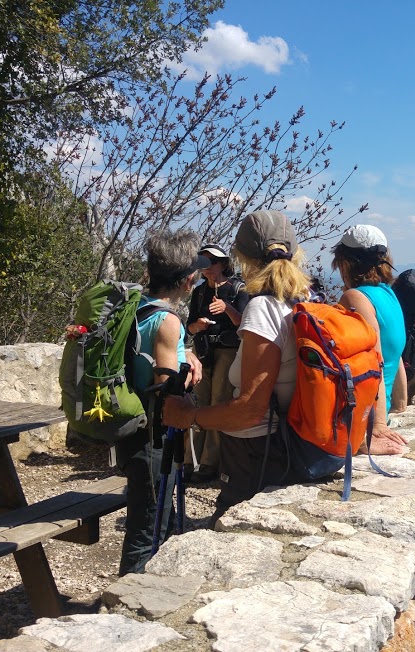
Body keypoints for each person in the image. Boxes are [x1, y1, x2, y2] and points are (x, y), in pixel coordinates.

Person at [163, 210, 308, 525]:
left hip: (254, 450)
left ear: (241, 256)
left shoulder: (262, 306)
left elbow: (249, 411)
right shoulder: (303, 300)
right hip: (288, 442)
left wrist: (188, 416)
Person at [117, 228, 207, 576]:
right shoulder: (168, 321)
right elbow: (166, 387)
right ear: (187, 282)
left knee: (151, 518)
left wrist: (186, 351)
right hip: (153, 438)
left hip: (129, 428)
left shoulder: (136, 306)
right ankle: (124, 609)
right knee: (148, 527)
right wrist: (187, 371)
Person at [331, 224, 409, 455]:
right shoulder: (388, 294)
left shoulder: (355, 298)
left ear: (345, 262)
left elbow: (376, 361)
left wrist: (377, 428)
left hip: (364, 420)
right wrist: (400, 405)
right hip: (376, 412)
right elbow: (395, 355)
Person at [185, 244, 250, 482]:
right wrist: (198, 326)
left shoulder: (238, 289)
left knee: (218, 403)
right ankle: (190, 460)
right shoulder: (200, 292)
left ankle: (209, 463)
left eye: (211, 262)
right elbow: (189, 327)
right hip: (203, 352)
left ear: (223, 264)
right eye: (202, 263)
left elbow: (243, 324)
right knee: (198, 404)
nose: (207, 267)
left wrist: (227, 308)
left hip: (227, 351)